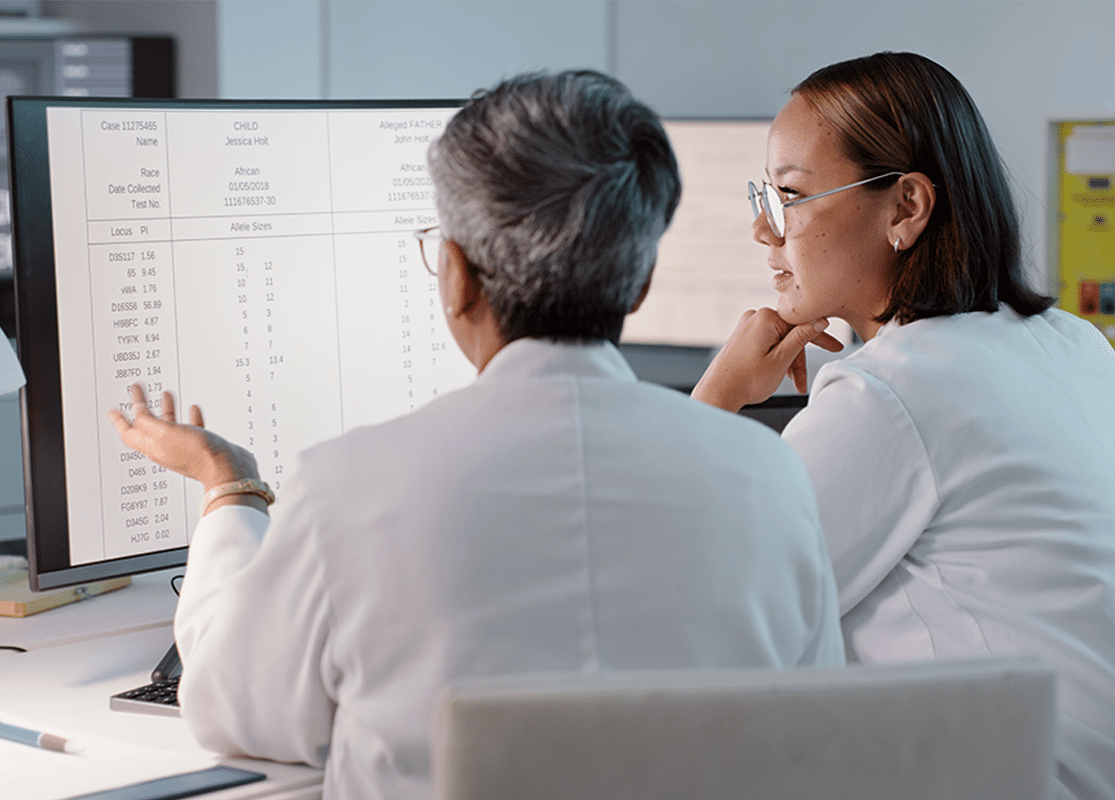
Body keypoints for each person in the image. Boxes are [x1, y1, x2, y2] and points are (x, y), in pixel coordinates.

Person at [109, 70, 845, 800]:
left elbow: (232, 710)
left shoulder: (351, 485)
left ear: (456, 276)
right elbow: (814, 730)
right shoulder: (768, 475)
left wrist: (229, 486)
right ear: (640, 282)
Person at [691, 51, 1115, 800]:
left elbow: (701, 614)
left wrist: (717, 396)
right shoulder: (1073, 341)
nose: (765, 231)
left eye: (789, 195)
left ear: (905, 209)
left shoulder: (890, 395)